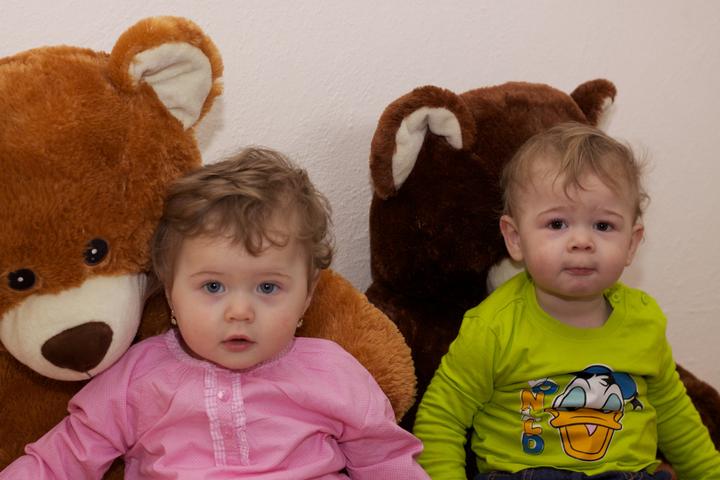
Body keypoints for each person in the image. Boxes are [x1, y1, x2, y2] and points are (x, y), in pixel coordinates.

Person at [2, 147, 429, 479]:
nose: (240, 311)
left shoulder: (334, 373)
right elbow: (63, 458)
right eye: (212, 287)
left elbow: (386, 461)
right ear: (170, 293)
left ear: (306, 295)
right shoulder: (136, 378)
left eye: (268, 287)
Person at [413, 123, 720, 479]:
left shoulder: (643, 321)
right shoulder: (493, 327)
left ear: (631, 243)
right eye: (557, 224)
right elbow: (441, 419)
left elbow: (675, 417)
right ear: (515, 239)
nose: (581, 242)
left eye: (603, 226)